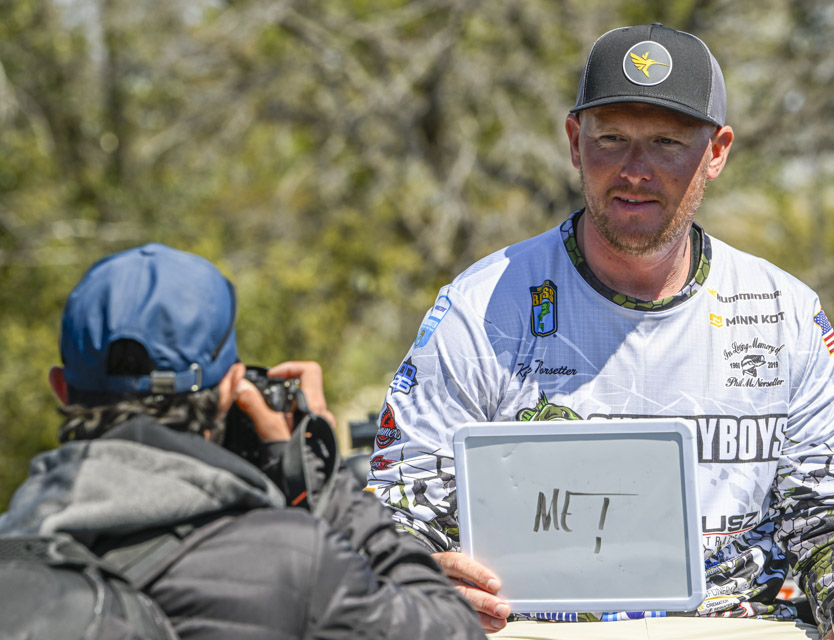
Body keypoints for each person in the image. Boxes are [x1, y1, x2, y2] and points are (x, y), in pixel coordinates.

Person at [366, 24, 834, 639]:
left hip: (731, 629)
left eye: (667, 142)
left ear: (717, 151)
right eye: (612, 139)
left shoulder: (786, 314)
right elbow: (397, 514)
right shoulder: (481, 307)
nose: (635, 170)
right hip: (532, 629)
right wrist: (421, 577)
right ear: (575, 142)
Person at [0, 243, 485, 639]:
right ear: (233, 387)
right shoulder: (292, 562)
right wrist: (325, 481)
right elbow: (451, 627)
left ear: (61, 388)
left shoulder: (16, 544)